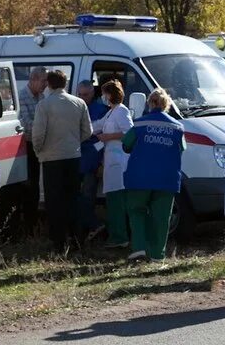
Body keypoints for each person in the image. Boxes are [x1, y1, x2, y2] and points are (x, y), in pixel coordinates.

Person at [121, 88, 185, 263]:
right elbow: (182, 149)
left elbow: (126, 145)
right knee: (162, 217)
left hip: (139, 177)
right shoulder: (177, 126)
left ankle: (139, 248)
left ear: (150, 103)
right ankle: (158, 255)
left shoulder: (140, 123)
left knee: (137, 211)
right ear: (167, 105)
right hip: (167, 179)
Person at [31, 69, 92, 253]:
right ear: (65, 84)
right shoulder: (79, 103)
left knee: (54, 202)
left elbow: (38, 133)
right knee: (72, 199)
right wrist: (74, 142)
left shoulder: (44, 105)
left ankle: (59, 243)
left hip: (51, 158)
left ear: (49, 84)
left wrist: (39, 151)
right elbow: (87, 131)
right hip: (73, 156)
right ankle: (76, 240)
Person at [97, 80, 133, 248]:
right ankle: (117, 236)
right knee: (113, 201)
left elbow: (129, 132)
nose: (102, 97)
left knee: (117, 202)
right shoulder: (111, 112)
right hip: (112, 162)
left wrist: (108, 137)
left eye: (104, 93)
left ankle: (120, 238)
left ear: (110, 95)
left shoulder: (121, 111)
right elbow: (97, 125)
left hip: (119, 162)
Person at [76, 80, 110, 240]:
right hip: (77, 158)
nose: (83, 97)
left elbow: (104, 138)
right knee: (78, 197)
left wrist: (102, 162)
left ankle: (93, 226)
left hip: (92, 160)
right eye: (80, 94)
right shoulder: (75, 107)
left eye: (86, 94)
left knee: (88, 197)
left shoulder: (102, 110)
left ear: (92, 93)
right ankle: (86, 229)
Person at [16, 67, 48, 236]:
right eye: (43, 81)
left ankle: (32, 224)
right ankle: (25, 226)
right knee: (27, 187)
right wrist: (46, 127)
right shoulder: (22, 97)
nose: (45, 85)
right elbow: (26, 124)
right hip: (24, 147)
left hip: (36, 146)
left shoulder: (41, 97)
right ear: (34, 79)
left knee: (34, 187)